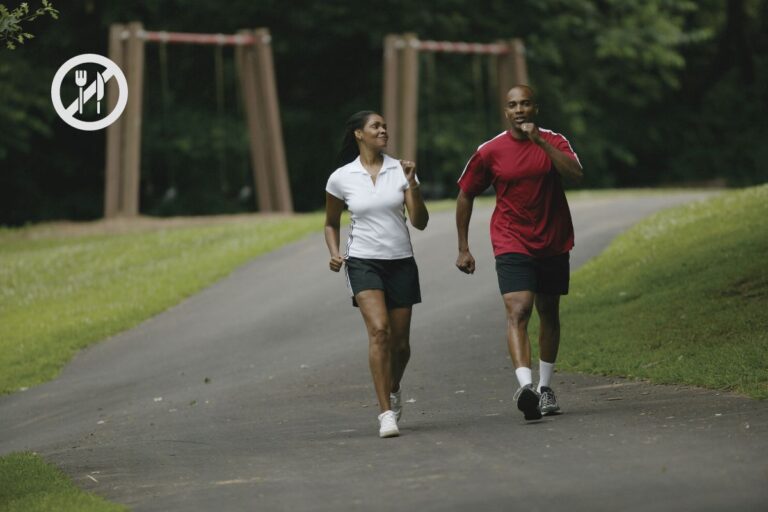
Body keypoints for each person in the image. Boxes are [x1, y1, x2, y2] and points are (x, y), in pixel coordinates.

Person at [455, 85, 583, 421]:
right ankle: (525, 387)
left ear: (535, 109)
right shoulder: (490, 151)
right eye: (513, 105)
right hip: (511, 238)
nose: (519, 110)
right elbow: (466, 193)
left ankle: (545, 387)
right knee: (519, 309)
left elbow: (575, 173)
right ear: (506, 111)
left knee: (549, 312)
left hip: (553, 239)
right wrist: (463, 247)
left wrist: (539, 142)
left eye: (525, 104)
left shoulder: (554, 140)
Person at [325, 110, 429, 438]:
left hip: (400, 261)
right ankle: (385, 412)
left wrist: (411, 183)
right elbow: (331, 222)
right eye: (376, 126)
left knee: (401, 346)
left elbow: (420, 221)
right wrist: (334, 252)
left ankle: (393, 386)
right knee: (379, 332)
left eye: (385, 126)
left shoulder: (401, 170)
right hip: (363, 262)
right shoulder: (341, 177)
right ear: (359, 134)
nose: (384, 130)